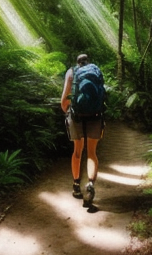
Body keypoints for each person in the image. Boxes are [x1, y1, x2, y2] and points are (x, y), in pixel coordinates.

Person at [60, 53, 105, 210]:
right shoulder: (97, 71)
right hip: (95, 116)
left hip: (77, 116)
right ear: (88, 62)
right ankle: (91, 183)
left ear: (77, 62)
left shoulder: (71, 72)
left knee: (77, 151)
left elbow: (64, 100)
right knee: (92, 153)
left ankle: (76, 185)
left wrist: (67, 111)